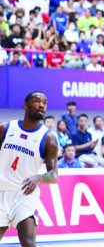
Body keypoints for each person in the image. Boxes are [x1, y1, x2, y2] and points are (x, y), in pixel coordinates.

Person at [0, 91, 59, 247]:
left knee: (28, 242)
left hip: (24, 195)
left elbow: (53, 175)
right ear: (25, 105)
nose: (41, 105)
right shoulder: (6, 128)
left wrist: (38, 177)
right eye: (37, 101)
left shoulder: (49, 138)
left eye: (45, 102)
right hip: (1, 191)